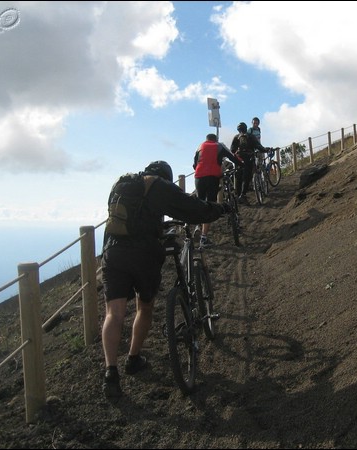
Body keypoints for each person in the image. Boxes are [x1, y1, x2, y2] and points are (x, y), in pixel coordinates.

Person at [101, 160, 231, 398]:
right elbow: (192, 208)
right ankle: (133, 358)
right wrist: (219, 209)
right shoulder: (158, 185)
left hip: (112, 252)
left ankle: (111, 372)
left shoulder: (122, 184)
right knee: (145, 306)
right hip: (142, 254)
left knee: (114, 313)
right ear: (165, 176)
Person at [193, 133, 243, 247]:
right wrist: (241, 164)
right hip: (212, 177)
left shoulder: (199, 147)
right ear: (216, 139)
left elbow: (194, 164)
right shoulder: (219, 145)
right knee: (210, 206)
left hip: (198, 177)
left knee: (200, 202)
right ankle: (204, 238)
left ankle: (197, 226)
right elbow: (232, 157)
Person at [230, 121, 267, 203]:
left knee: (238, 176)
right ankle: (243, 195)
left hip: (239, 160)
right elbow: (258, 146)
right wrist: (265, 150)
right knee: (247, 177)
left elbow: (232, 150)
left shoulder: (236, 137)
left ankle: (238, 195)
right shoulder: (250, 136)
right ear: (246, 128)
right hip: (249, 158)